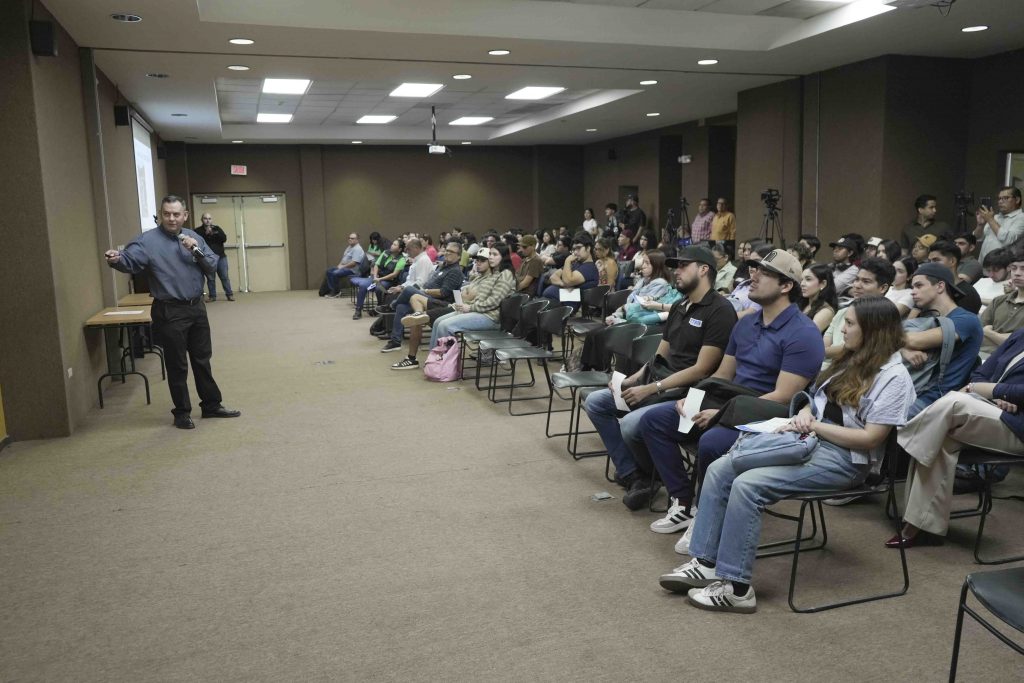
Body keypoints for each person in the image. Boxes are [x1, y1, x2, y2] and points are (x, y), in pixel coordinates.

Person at [661, 296, 915, 613]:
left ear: (874, 331)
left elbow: (870, 438)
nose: (843, 330)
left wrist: (815, 427)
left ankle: (737, 588)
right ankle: (707, 562)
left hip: (844, 459)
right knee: (721, 468)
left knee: (747, 485)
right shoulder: (853, 358)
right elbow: (818, 399)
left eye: (850, 324)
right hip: (807, 437)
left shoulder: (894, 377)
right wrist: (807, 413)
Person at [641, 250, 825, 540]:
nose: (753, 275)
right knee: (654, 420)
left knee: (712, 441)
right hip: (731, 403)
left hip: (767, 417)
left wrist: (722, 414)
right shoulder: (746, 323)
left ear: (786, 286)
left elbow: (783, 399)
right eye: (754, 269)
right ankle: (684, 501)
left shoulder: (803, 333)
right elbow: (723, 376)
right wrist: (696, 397)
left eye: (763, 272)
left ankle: (706, 516)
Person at [583, 247, 737, 512]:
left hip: (691, 394)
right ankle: (637, 475)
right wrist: (634, 379)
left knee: (632, 424)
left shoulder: (720, 311)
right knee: (597, 402)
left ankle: (659, 480)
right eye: (675, 266)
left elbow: (702, 369)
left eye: (683, 266)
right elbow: (660, 355)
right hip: (661, 385)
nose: (676, 271)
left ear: (703, 269)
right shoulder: (680, 305)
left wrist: (650, 388)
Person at [103, 195, 240, 429]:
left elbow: (211, 265)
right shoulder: (147, 241)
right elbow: (130, 261)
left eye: (176, 214)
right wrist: (116, 260)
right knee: (177, 364)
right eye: (167, 214)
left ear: (185, 216)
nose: (172, 218)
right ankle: (182, 412)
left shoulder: (194, 236)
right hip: (169, 310)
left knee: (202, 359)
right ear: (161, 214)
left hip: (196, 307)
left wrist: (195, 249)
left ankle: (210, 405)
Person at [892, 327, 1024, 548]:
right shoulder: (1021, 334)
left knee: (954, 402)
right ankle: (923, 526)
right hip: (991, 409)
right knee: (941, 438)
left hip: (1018, 425)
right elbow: (980, 373)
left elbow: (1005, 390)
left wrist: (993, 390)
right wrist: (994, 393)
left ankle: (899, 440)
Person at [392, 246, 515, 371]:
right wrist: (468, 301)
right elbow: (466, 294)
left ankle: (443, 364)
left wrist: (470, 306)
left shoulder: (504, 274)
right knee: (438, 322)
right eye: (491, 254)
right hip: (472, 309)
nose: (491, 257)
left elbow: (493, 301)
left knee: (444, 325)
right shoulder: (488, 275)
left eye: (495, 254)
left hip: (488, 316)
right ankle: (434, 360)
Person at [901, 262, 983, 417]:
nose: (913, 292)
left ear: (940, 286)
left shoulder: (966, 319)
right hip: (911, 389)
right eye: (912, 287)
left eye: (919, 286)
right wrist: (903, 348)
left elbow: (914, 341)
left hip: (933, 399)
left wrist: (903, 344)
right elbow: (900, 339)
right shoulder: (926, 318)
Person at [380, 240, 462, 352]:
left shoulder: (455, 271)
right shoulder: (443, 266)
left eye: (452, 252)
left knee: (408, 290)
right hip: (426, 296)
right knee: (402, 307)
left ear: (458, 256)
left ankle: (391, 306)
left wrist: (425, 290)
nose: (448, 253)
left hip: (438, 302)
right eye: (447, 250)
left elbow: (444, 292)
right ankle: (395, 341)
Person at [823, 258, 894, 365]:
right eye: (856, 279)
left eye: (866, 281)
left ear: (883, 288)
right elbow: (823, 346)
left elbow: (854, 349)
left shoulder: (885, 317)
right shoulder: (842, 312)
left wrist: (820, 352)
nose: (856, 285)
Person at [980, 252, 1024, 355]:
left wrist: (990, 333)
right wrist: (1004, 339)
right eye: (1014, 268)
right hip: (981, 355)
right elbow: (978, 333)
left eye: (1023, 269)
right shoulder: (998, 300)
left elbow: (1019, 344)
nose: (1017, 273)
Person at [349, 239, 406, 319]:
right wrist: (375, 276)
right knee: (363, 286)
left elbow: (394, 274)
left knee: (378, 288)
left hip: (389, 281)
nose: (392, 245)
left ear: (399, 249)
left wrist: (380, 279)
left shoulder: (402, 259)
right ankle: (358, 310)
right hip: (376, 279)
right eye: (392, 244)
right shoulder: (385, 253)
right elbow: (376, 265)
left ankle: (379, 307)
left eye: (395, 245)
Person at [542, 233, 599, 308]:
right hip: (556, 300)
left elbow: (568, 281)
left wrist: (567, 261)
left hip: (565, 305)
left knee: (530, 311)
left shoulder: (589, 267)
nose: (575, 252)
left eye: (578, 248)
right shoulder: (576, 263)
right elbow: (553, 277)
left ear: (588, 248)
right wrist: (563, 284)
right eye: (574, 249)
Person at [926, 240, 981, 314]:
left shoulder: (967, 294)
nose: (930, 265)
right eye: (929, 261)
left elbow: (963, 324)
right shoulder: (933, 288)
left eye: (936, 260)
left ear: (952, 261)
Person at [975, 186, 1024, 262]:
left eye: (1006, 198)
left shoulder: (1021, 218)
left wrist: (990, 220)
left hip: (1002, 268)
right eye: (999, 198)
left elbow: (1007, 239)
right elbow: (978, 238)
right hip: (983, 265)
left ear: (1017, 200)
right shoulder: (995, 217)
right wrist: (980, 225)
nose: (1000, 201)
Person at [197, 213, 233, 302]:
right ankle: (212, 296)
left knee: (224, 277)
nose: (208, 220)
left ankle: (229, 295)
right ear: (202, 220)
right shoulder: (198, 231)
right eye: (205, 218)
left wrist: (214, 233)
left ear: (212, 220)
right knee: (211, 278)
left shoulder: (217, 228)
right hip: (208, 258)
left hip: (221, 257)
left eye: (209, 218)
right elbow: (198, 242)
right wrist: (206, 234)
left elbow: (224, 238)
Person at [798, 264, 838, 333]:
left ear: (823, 284)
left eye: (808, 279)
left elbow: (807, 336)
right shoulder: (802, 303)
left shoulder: (826, 311)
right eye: (802, 280)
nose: (802, 284)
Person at [324, 233, 365, 297]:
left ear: (357, 240)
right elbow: (344, 259)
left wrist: (342, 267)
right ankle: (332, 289)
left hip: (352, 270)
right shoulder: (349, 247)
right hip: (346, 267)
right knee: (329, 271)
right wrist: (339, 265)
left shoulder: (357, 249)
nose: (350, 239)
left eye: (352, 238)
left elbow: (354, 263)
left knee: (335, 273)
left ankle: (336, 292)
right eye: (349, 238)